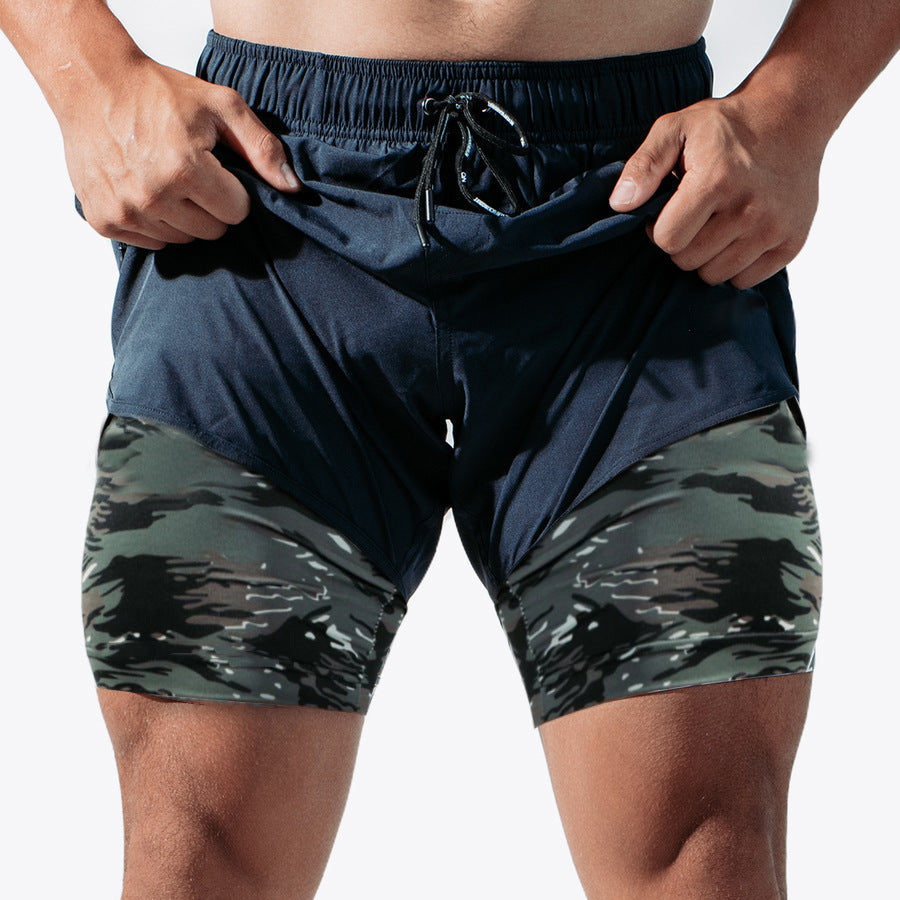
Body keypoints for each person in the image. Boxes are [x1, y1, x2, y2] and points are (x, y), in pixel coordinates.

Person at [1, 1, 897, 897]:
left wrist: (796, 103)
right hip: (262, 220)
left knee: (702, 850)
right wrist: (89, 74)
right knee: (197, 849)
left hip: (644, 220)